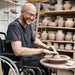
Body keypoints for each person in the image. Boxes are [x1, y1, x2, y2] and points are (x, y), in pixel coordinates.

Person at [5, 3, 58, 75]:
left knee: (46, 61)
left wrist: (46, 47)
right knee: (41, 64)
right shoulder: (14, 26)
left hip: (27, 56)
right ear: (22, 12)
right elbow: (18, 51)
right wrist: (42, 50)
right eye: (30, 14)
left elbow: (34, 39)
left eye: (34, 15)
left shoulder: (28, 25)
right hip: (19, 58)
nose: (32, 18)